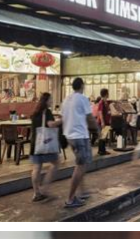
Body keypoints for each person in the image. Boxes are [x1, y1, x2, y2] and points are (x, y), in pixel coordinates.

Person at [61, 77, 96, 209]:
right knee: (80, 166)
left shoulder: (66, 99)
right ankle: (70, 199)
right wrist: (97, 129)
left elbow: (63, 118)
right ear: (82, 85)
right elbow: (89, 117)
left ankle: (83, 191)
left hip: (70, 135)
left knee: (82, 164)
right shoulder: (82, 98)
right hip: (80, 136)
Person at [29, 92, 62, 203]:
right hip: (46, 142)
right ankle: (45, 187)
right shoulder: (46, 112)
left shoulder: (35, 112)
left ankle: (36, 193)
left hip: (35, 143)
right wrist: (61, 121)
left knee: (37, 168)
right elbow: (50, 124)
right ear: (46, 101)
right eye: (51, 99)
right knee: (56, 163)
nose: (52, 101)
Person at [94, 88, 113, 155]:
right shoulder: (101, 102)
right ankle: (101, 150)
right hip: (102, 122)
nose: (108, 94)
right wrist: (102, 122)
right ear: (105, 94)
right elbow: (100, 112)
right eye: (108, 93)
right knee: (102, 137)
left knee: (104, 136)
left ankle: (103, 150)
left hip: (106, 122)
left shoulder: (106, 102)